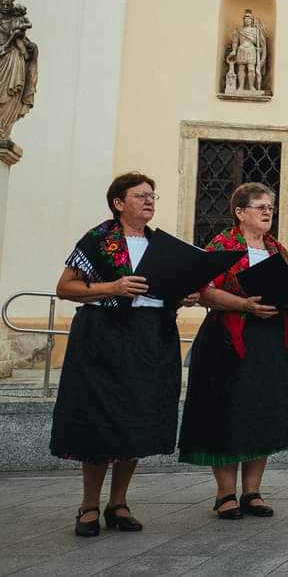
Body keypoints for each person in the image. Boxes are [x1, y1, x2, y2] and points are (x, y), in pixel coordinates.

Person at [51, 172, 191, 536]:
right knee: (100, 417)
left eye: (153, 196)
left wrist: (183, 294)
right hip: (103, 333)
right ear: (118, 203)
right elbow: (65, 287)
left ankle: (119, 502)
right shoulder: (98, 239)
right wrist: (111, 287)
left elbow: (166, 289)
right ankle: (88, 504)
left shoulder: (162, 245)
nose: (149, 201)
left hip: (150, 336)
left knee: (136, 416)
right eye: (141, 195)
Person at [177, 183, 288, 519]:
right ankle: (225, 494)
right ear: (240, 212)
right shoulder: (222, 246)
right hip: (228, 338)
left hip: (269, 339)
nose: (268, 212)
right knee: (227, 412)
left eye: (270, 207)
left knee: (261, 410)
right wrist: (243, 304)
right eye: (260, 206)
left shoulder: (276, 250)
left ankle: (252, 491)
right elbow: (203, 291)